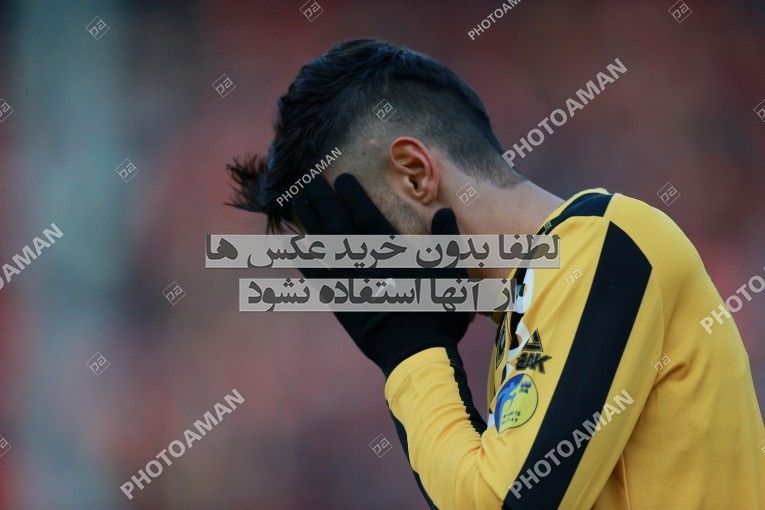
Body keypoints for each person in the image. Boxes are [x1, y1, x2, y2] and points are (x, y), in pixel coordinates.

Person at [226, 38, 765, 509]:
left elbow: (503, 502)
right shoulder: (524, 313)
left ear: (415, 175)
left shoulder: (609, 242)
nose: (359, 270)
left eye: (353, 229)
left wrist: (409, 350)